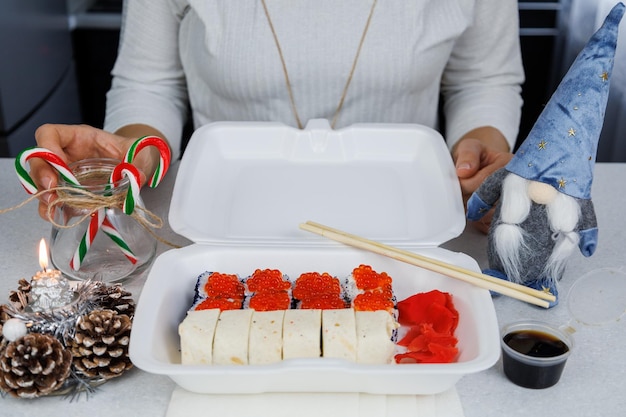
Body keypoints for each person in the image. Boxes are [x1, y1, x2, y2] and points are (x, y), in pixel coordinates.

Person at [31, 0, 524, 226]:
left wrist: (480, 152)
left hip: (411, 221)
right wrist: (132, 159)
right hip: (221, 219)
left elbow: (483, 79)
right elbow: (149, 82)